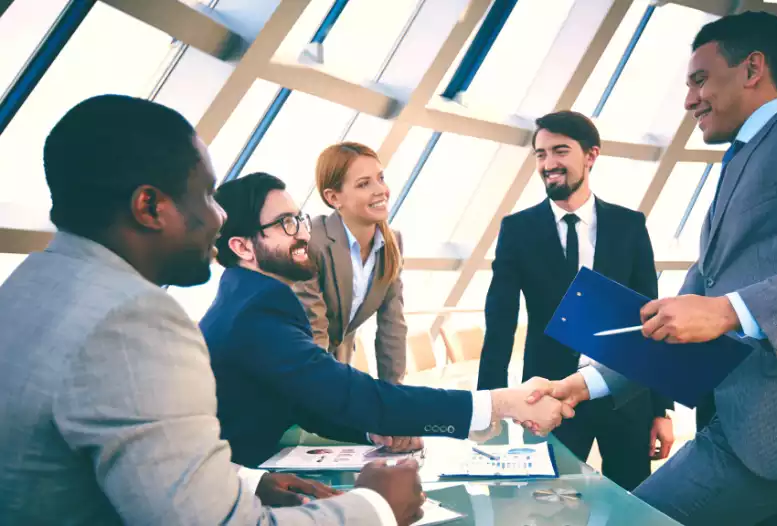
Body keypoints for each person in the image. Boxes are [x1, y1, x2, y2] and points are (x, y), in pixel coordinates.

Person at [524, 11, 777, 525]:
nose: (689, 99)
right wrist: (583, 385)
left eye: (699, 80)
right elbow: (672, 318)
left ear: (753, 68)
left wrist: (731, 311)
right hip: (766, 435)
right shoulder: (736, 164)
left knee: (630, 519)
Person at [0, 95, 429, 525]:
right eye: (206, 195)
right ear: (149, 207)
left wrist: (244, 482)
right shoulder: (133, 319)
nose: (220, 218)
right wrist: (376, 506)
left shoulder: (27, 287)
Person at [201, 172, 572, 468]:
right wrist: (500, 403)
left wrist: (373, 431)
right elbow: (347, 392)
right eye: (285, 224)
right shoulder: (259, 309)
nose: (303, 233)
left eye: (299, 219)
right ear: (243, 246)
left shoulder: (248, 297)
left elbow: (306, 400)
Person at [477, 110, 674, 490]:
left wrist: (660, 409)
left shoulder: (629, 225)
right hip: (548, 396)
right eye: (540, 154)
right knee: (546, 506)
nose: (548, 164)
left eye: (560, 151)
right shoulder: (517, 230)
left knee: (631, 507)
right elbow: (499, 322)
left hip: (625, 393)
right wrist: (491, 406)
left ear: (591, 155)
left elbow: (651, 318)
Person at [293, 142, 406, 383]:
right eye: (364, 184)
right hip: (295, 370)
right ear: (334, 198)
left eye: (381, 178)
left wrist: (395, 397)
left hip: (337, 366)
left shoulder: (391, 242)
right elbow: (315, 328)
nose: (381, 190)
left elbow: (392, 326)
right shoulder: (312, 240)